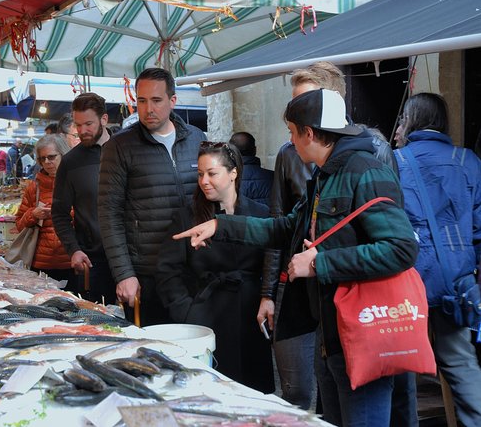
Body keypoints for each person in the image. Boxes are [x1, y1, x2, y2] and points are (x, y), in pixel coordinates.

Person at [175, 89, 419, 427]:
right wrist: (221, 224)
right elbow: (288, 227)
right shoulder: (326, 174)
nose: (289, 140)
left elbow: (401, 249)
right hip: (330, 335)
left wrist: (320, 263)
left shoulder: (365, 171)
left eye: (292, 132)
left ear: (308, 132)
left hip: (364, 335)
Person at [156, 141, 274, 392]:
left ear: (233, 173)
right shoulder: (187, 216)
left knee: (252, 394)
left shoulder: (261, 214)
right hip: (206, 316)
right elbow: (168, 270)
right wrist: (187, 313)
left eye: (212, 173)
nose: (204, 181)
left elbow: (272, 261)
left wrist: (268, 297)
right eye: (200, 174)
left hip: (251, 316)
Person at [394, 93, 481, 427]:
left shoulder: (396, 162)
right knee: (461, 365)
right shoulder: (468, 160)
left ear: (411, 119)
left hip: (407, 281)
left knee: (400, 367)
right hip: (457, 282)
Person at [98, 68, 206, 326]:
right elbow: (108, 213)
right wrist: (124, 274)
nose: (148, 109)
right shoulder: (119, 146)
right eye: (142, 101)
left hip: (195, 270)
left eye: (156, 100)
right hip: (148, 273)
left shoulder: (197, 138)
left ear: (173, 101)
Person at [52, 93, 116, 304]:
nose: (82, 131)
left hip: (132, 259)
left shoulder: (125, 151)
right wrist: (74, 249)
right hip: (92, 262)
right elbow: (59, 213)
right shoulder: (71, 161)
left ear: (104, 120)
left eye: (88, 124)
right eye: (78, 125)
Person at [15, 135, 74, 283]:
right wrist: (33, 214)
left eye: (52, 157)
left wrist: (64, 214)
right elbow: (19, 225)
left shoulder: (77, 183)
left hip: (72, 261)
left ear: (63, 154)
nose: (47, 162)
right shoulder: (34, 187)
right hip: (40, 264)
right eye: (42, 159)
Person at [229, 131, 274, 206]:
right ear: (255, 150)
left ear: (231, 152)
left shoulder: (228, 179)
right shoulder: (274, 177)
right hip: (269, 217)